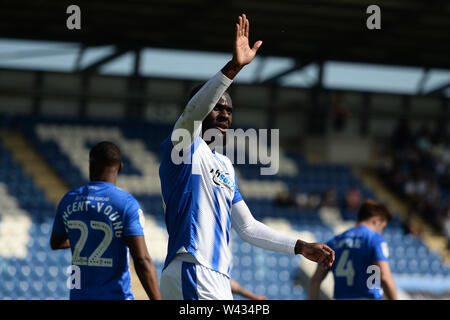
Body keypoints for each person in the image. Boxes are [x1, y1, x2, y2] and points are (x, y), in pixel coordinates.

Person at [158, 14, 334, 300]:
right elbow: (193, 112)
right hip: (193, 269)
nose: (225, 113)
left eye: (229, 110)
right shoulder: (183, 147)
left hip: (216, 277)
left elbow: (248, 227)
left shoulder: (225, 165)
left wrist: (301, 246)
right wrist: (233, 68)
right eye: (218, 106)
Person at [50, 141, 161, 300]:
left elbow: (56, 243)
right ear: (120, 167)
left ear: (90, 166)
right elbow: (141, 259)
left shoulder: (69, 200)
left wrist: (88, 243)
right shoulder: (125, 204)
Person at [309, 199, 397, 300]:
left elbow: (315, 280)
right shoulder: (374, 239)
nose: (381, 231)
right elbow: (384, 277)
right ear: (376, 220)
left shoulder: (333, 242)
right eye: (382, 227)